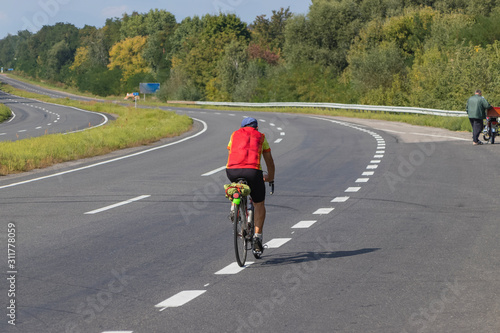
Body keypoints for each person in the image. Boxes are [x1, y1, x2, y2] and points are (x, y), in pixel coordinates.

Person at [226, 117, 275, 255]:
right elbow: (269, 160)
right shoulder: (261, 136)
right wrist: (270, 177)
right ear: (256, 128)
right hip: (253, 171)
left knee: (235, 186)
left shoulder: (234, 134)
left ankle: (233, 205)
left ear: (241, 128)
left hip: (232, 170)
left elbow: (231, 151)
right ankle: (257, 238)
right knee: (259, 203)